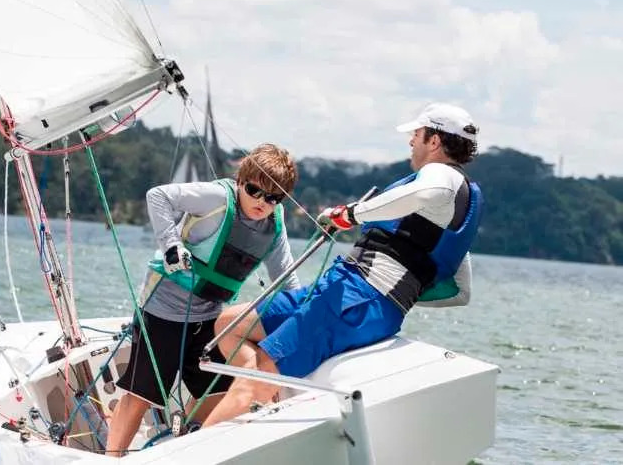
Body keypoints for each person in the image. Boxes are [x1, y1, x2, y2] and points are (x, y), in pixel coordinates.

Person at [202, 102, 484, 427]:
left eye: (417, 134)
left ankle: (203, 441)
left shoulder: (441, 176)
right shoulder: (462, 202)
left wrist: (349, 214)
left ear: (434, 141)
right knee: (229, 323)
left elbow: (426, 191)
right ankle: (266, 399)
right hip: (345, 289)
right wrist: (401, 293)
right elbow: (461, 293)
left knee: (256, 375)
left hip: (356, 299)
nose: (411, 141)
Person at [106, 143, 301, 456]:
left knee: (218, 390)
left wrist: (307, 315)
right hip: (162, 311)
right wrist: (170, 244)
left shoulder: (274, 226)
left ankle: (190, 449)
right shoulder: (217, 198)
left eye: (273, 197)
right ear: (241, 182)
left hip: (208, 315)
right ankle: (111, 458)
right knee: (142, 394)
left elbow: (287, 279)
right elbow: (158, 195)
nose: (262, 202)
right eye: (254, 190)